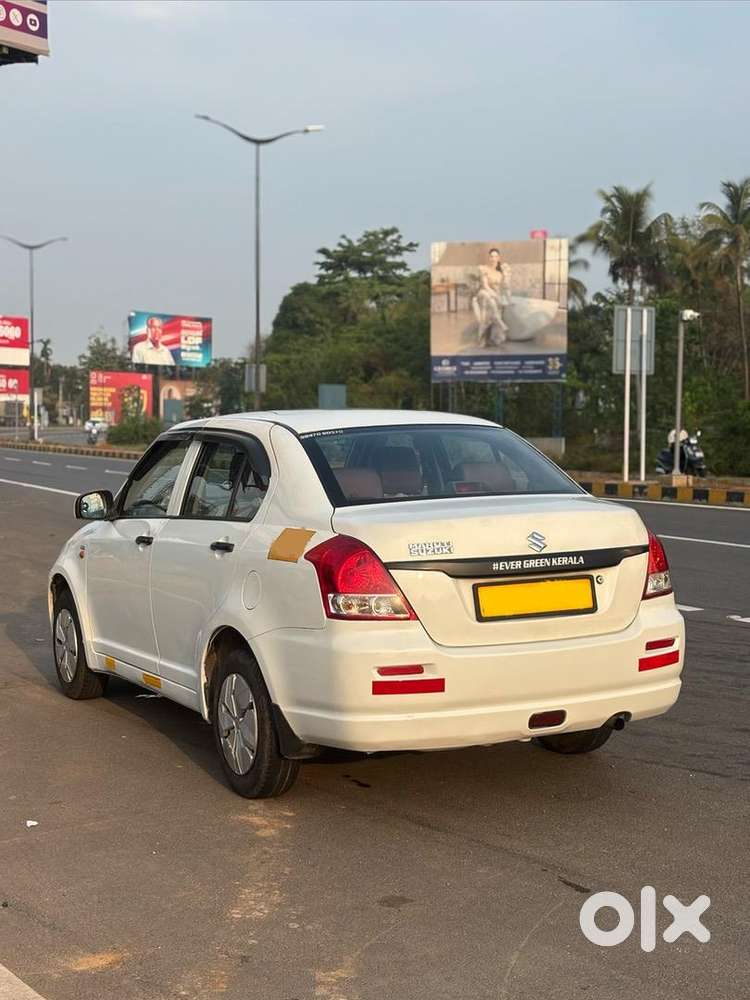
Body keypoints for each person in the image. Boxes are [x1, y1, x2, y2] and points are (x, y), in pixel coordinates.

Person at [472, 248, 512, 346]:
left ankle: (489, 333)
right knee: (486, 295)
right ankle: (499, 322)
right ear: (489, 258)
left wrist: (506, 274)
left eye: (495, 256)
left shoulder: (500, 273)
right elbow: (485, 286)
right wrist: (495, 296)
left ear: (499, 258)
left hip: (493, 298)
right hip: (484, 293)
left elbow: (505, 287)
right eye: (491, 256)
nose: (493, 258)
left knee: (491, 301)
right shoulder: (484, 269)